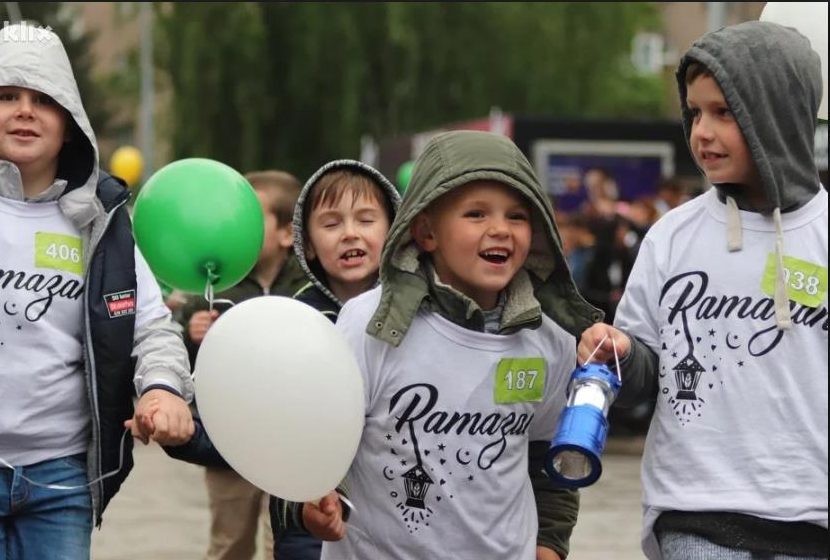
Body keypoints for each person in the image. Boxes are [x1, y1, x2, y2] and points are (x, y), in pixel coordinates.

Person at [577, 21, 828, 559]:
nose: (701, 132)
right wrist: (622, 353)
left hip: (814, 515)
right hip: (696, 511)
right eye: (694, 112)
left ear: (778, 113)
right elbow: (643, 374)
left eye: (724, 112)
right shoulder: (671, 236)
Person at [303, 130, 603, 560]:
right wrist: (316, 504)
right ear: (426, 231)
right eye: (476, 214)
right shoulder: (370, 324)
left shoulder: (549, 339)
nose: (500, 230)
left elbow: (550, 454)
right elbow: (322, 440)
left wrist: (549, 545)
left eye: (517, 216)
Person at [0, 24, 194, 560]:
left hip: (62, 478)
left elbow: (151, 326)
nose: (25, 111)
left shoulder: (102, 222)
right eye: (6, 95)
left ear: (70, 123)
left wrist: (164, 388)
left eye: (44, 100)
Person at [269, 159, 401, 559]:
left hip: (399, 514)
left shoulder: (419, 317)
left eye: (366, 220)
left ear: (393, 229)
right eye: (331, 224)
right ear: (307, 243)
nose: (350, 234)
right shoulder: (291, 319)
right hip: (310, 518)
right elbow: (273, 431)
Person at [178, 170, 307, 560]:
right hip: (229, 440)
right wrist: (192, 333)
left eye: (251, 219)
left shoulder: (308, 285)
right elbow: (183, 356)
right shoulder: (217, 285)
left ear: (286, 234)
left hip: (293, 439)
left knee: (282, 543)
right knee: (229, 542)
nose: (237, 227)